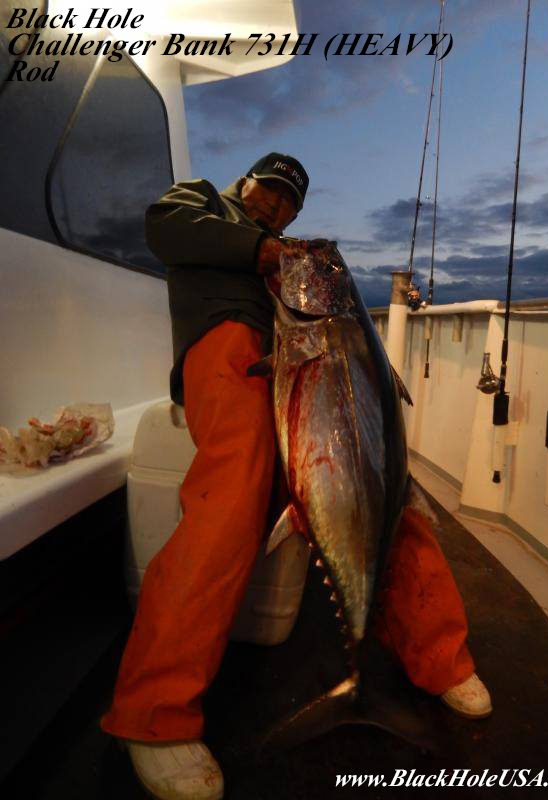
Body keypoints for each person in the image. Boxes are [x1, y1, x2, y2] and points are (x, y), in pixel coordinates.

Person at [100, 154, 491, 800]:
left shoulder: (295, 260)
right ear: (245, 183)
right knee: (238, 483)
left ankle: (441, 657)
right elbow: (164, 230)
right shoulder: (199, 205)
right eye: (270, 191)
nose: (276, 207)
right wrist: (265, 252)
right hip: (230, 356)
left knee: (386, 490)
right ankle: (153, 714)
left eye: (289, 204)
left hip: (302, 374)